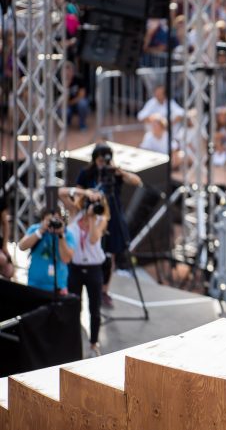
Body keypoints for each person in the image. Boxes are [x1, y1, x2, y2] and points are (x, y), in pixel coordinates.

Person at [76, 145, 142, 308]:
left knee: (109, 256)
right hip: (92, 217)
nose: (102, 164)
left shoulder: (114, 173)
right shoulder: (86, 173)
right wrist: (88, 194)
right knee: (93, 251)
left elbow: (137, 181)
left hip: (111, 219)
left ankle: (104, 290)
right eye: (99, 160)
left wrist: (121, 172)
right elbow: (77, 193)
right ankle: (90, 288)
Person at [59, 186, 108, 357]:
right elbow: (60, 193)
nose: (94, 205)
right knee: (74, 306)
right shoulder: (75, 213)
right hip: (75, 268)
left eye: (97, 201)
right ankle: (72, 340)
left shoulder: (101, 218)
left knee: (95, 309)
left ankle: (94, 343)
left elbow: (94, 239)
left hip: (94, 269)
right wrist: (83, 192)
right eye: (92, 201)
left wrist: (92, 217)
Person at [18, 208, 75, 293]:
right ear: (42, 220)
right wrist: (40, 231)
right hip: (35, 284)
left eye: (56, 220)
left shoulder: (68, 234)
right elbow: (22, 246)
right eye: (49, 220)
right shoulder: (35, 229)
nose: (52, 223)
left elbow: (66, 259)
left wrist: (60, 235)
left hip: (58, 286)